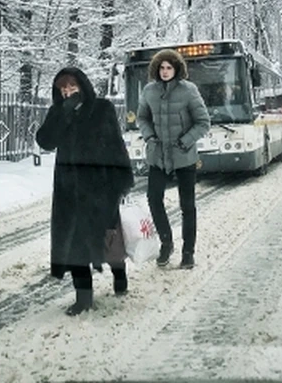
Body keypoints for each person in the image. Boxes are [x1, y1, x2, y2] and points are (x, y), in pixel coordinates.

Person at [36, 67, 134, 316]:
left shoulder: (102, 109)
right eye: (63, 89)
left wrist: (122, 181)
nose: (67, 92)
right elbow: (45, 141)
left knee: (107, 239)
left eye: (71, 86)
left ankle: (119, 273)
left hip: (101, 188)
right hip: (69, 190)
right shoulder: (58, 111)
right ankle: (83, 298)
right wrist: (62, 115)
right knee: (74, 244)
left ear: (82, 85)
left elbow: (116, 144)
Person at [137, 49, 211, 269]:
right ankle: (166, 243)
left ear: (177, 69)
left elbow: (203, 121)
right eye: (162, 67)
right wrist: (149, 137)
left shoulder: (189, 90)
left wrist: (185, 141)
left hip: (184, 155)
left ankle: (188, 252)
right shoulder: (149, 91)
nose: (165, 71)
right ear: (156, 69)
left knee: (187, 205)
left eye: (169, 67)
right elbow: (142, 117)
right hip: (157, 155)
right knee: (153, 198)